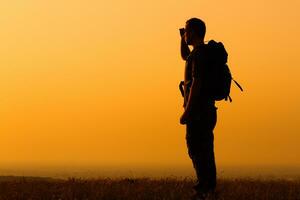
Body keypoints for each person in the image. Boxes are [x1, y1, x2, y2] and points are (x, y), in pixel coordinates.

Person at [179, 18, 218, 200]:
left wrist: (188, 111)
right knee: (205, 149)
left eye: (186, 31)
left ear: (193, 32)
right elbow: (184, 56)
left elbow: (196, 83)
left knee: (196, 148)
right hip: (207, 111)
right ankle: (208, 188)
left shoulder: (199, 56)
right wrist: (181, 38)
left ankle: (204, 189)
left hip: (198, 113)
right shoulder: (199, 54)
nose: (185, 34)